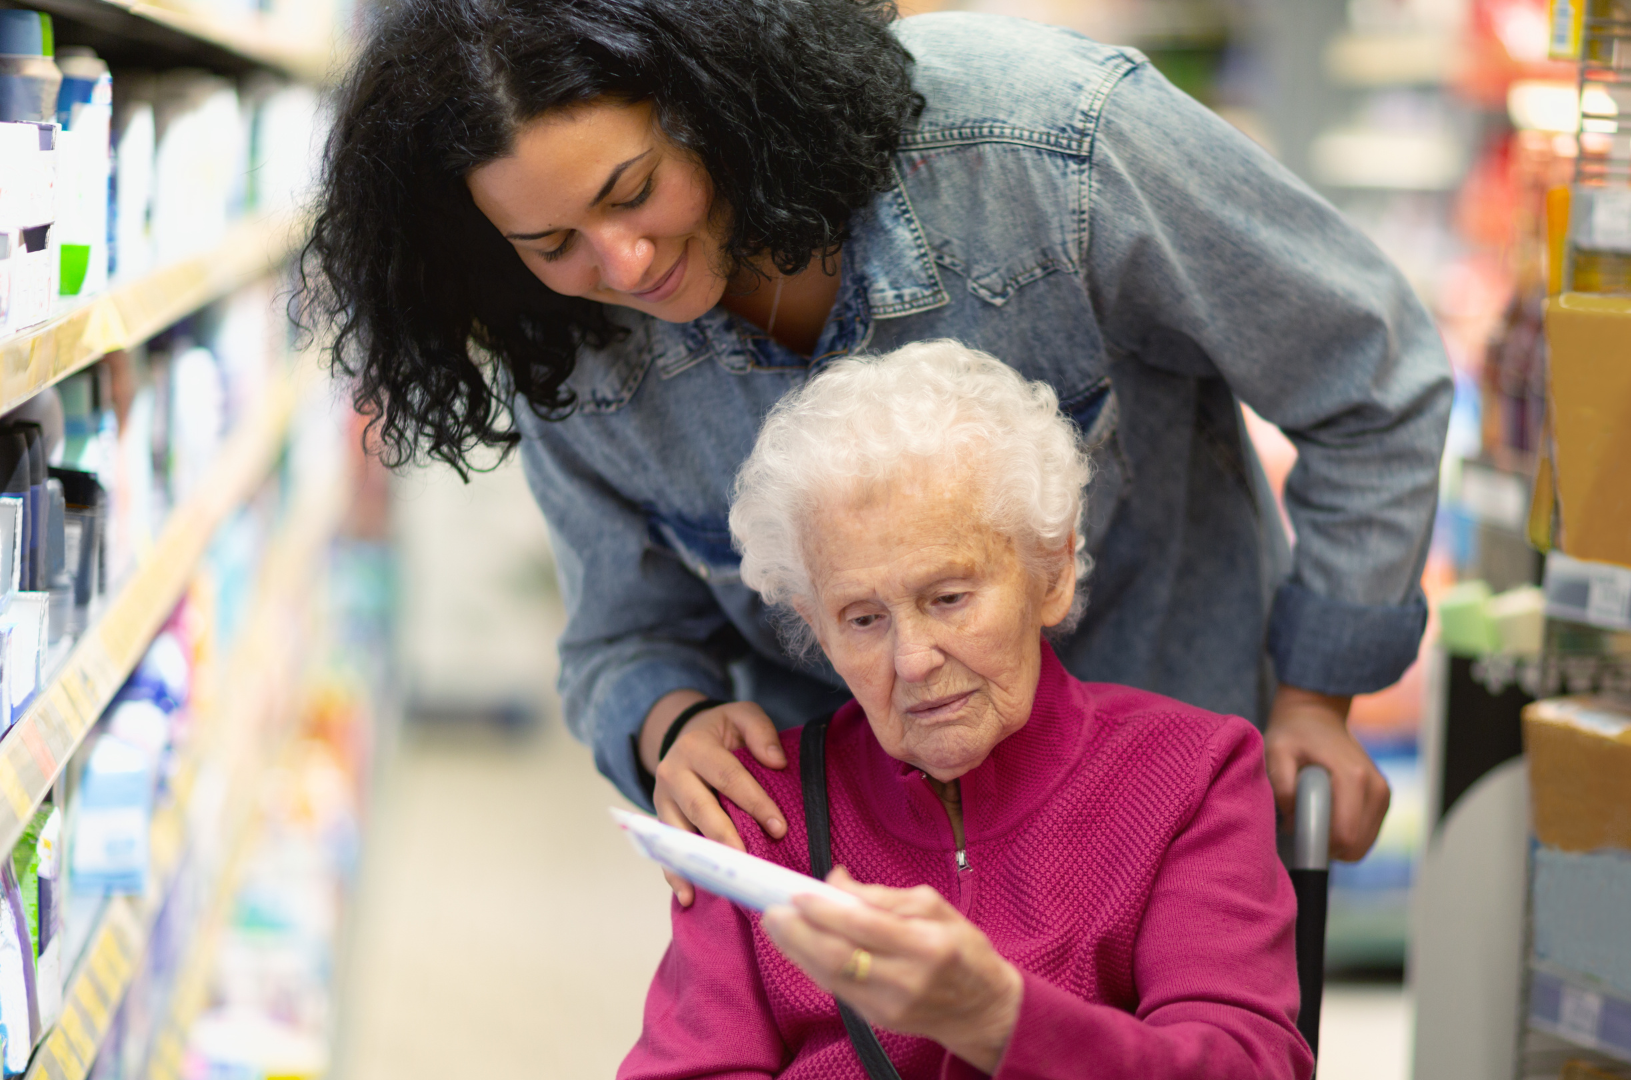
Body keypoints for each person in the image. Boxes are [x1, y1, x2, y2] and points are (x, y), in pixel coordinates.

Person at [303, 0, 1451, 869]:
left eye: (634, 190)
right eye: (551, 243)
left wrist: (1318, 698)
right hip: (882, 873)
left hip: (1183, 822)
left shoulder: (1045, 147)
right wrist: (675, 725)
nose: (621, 267)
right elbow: (626, 635)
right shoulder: (565, 343)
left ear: (716, 98)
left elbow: (1368, 371)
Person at [623, 341, 1313, 1080]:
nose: (912, 659)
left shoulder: (1191, 775)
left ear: (1050, 575)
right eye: (862, 619)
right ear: (815, 627)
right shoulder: (755, 815)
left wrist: (992, 1019)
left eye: (948, 598)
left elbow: (1246, 1066)